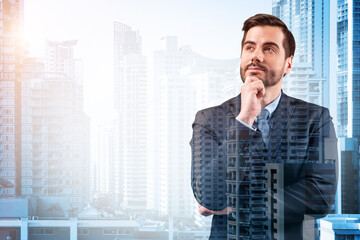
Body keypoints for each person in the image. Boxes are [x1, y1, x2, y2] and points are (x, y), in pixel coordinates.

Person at [190, 14, 338, 240]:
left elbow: (320, 198)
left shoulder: (316, 119)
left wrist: (240, 206)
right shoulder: (209, 119)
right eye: (250, 47)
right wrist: (244, 120)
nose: (256, 56)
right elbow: (210, 196)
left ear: (288, 63)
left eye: (269, 49)